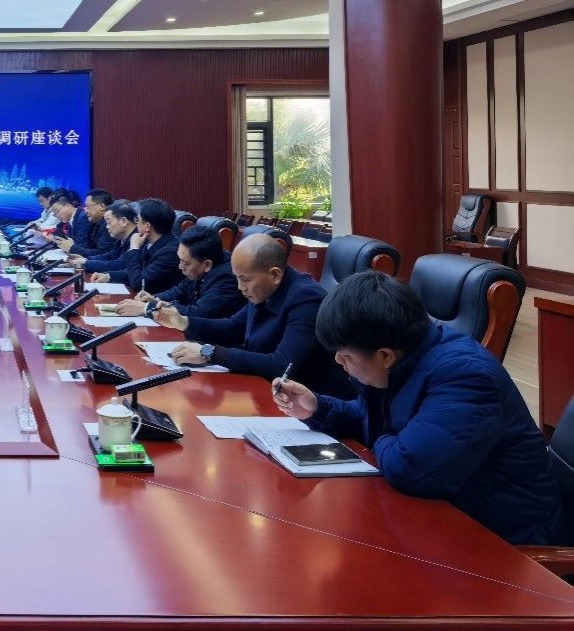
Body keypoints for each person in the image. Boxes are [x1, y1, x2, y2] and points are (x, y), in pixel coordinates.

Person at [273, 271, 565, 546]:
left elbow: (410, 470)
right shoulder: (404, 356)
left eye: (345, 355)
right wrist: (317, 408)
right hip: (445, 519)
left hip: (504, 542)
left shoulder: (467, 376)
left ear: (385, 356)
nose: (338, 362)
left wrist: (384, 436)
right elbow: (371, 418)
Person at [155, 233, 351, 396]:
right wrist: (184, 321)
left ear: (275, 274)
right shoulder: (266, 289)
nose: (240, 287)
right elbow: (232, 327)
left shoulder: (307, 299)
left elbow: (282, 365)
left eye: (245, 279)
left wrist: (210, 353)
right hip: (268, 390)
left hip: (309, 404)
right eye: (237, 278)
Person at [117, 226, 245, 321]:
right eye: (180, 260)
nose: (180, 266)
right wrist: (154, 298)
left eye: (185, 263)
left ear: (207, 265)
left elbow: (199, 313)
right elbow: (180, 290)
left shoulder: (226, 278)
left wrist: (147, 308)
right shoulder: (199, 265)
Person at [97, 197, 179, 293]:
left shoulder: (170, 252)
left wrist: (134, 248)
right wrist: (108, 276)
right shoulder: (148, 242)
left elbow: (139, 283)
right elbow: (134, 271)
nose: (135, 223)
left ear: (147, 226)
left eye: (137, 220)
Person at [67, 199, 137, 274]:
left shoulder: (137, 240)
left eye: (109, 222)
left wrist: (85, 263)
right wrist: (86, 259)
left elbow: (118, 265)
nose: (107, 227)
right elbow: (109, 256)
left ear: (124, 221)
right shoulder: (122, 239)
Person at [53, 188, 115, 258]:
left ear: (101, 206)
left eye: (88, 207)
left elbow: (101, 254)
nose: (85, 210)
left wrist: (72, 247)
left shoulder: (109, 225)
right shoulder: (97, 223)